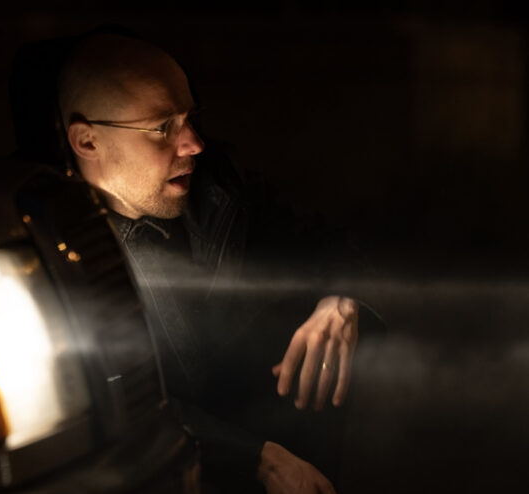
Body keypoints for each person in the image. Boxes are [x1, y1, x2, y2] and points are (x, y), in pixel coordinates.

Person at [56, 31, 369, 494]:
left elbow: (327, 239)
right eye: (163, 127)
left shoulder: (221, 184)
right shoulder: (55, 253)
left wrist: (341, 300)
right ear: (87, 141)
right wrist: (254, 458)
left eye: (189, 119)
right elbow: (116, 402)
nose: (193, 143)